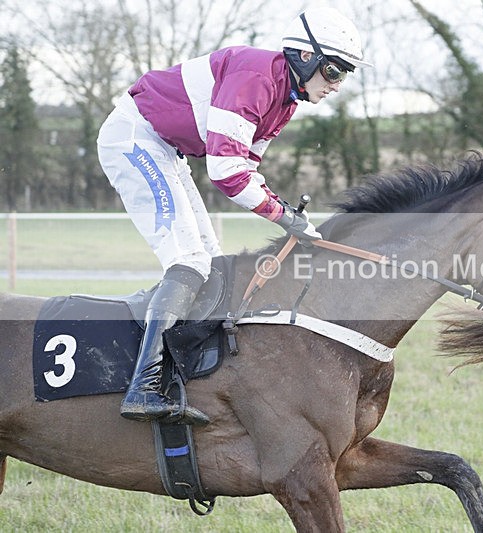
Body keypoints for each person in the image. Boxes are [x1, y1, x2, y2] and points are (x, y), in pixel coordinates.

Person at [96, 6, 371, 425]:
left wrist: (290, 216)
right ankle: (143, 387)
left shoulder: (286, 99)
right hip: (137, 139)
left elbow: (247, 167)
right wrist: (283, 216)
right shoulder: (257, 78)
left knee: (207, 261)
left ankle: (178, 373)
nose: (337, 85)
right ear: (305, 57)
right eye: (334, 72)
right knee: (188, 262)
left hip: (167, 149)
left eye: (345, 75)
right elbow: (224, 170)